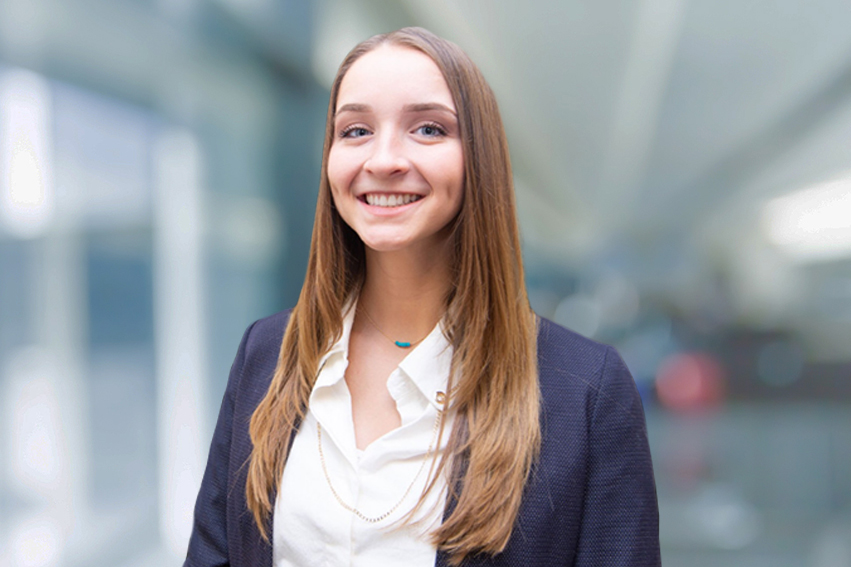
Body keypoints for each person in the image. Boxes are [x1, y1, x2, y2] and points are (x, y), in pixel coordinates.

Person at [184, 27, 660, 567]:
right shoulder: (265, 353)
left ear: (478, 159)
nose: (384, 160)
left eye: (428, 129)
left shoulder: (585, 390)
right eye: (356, 130)